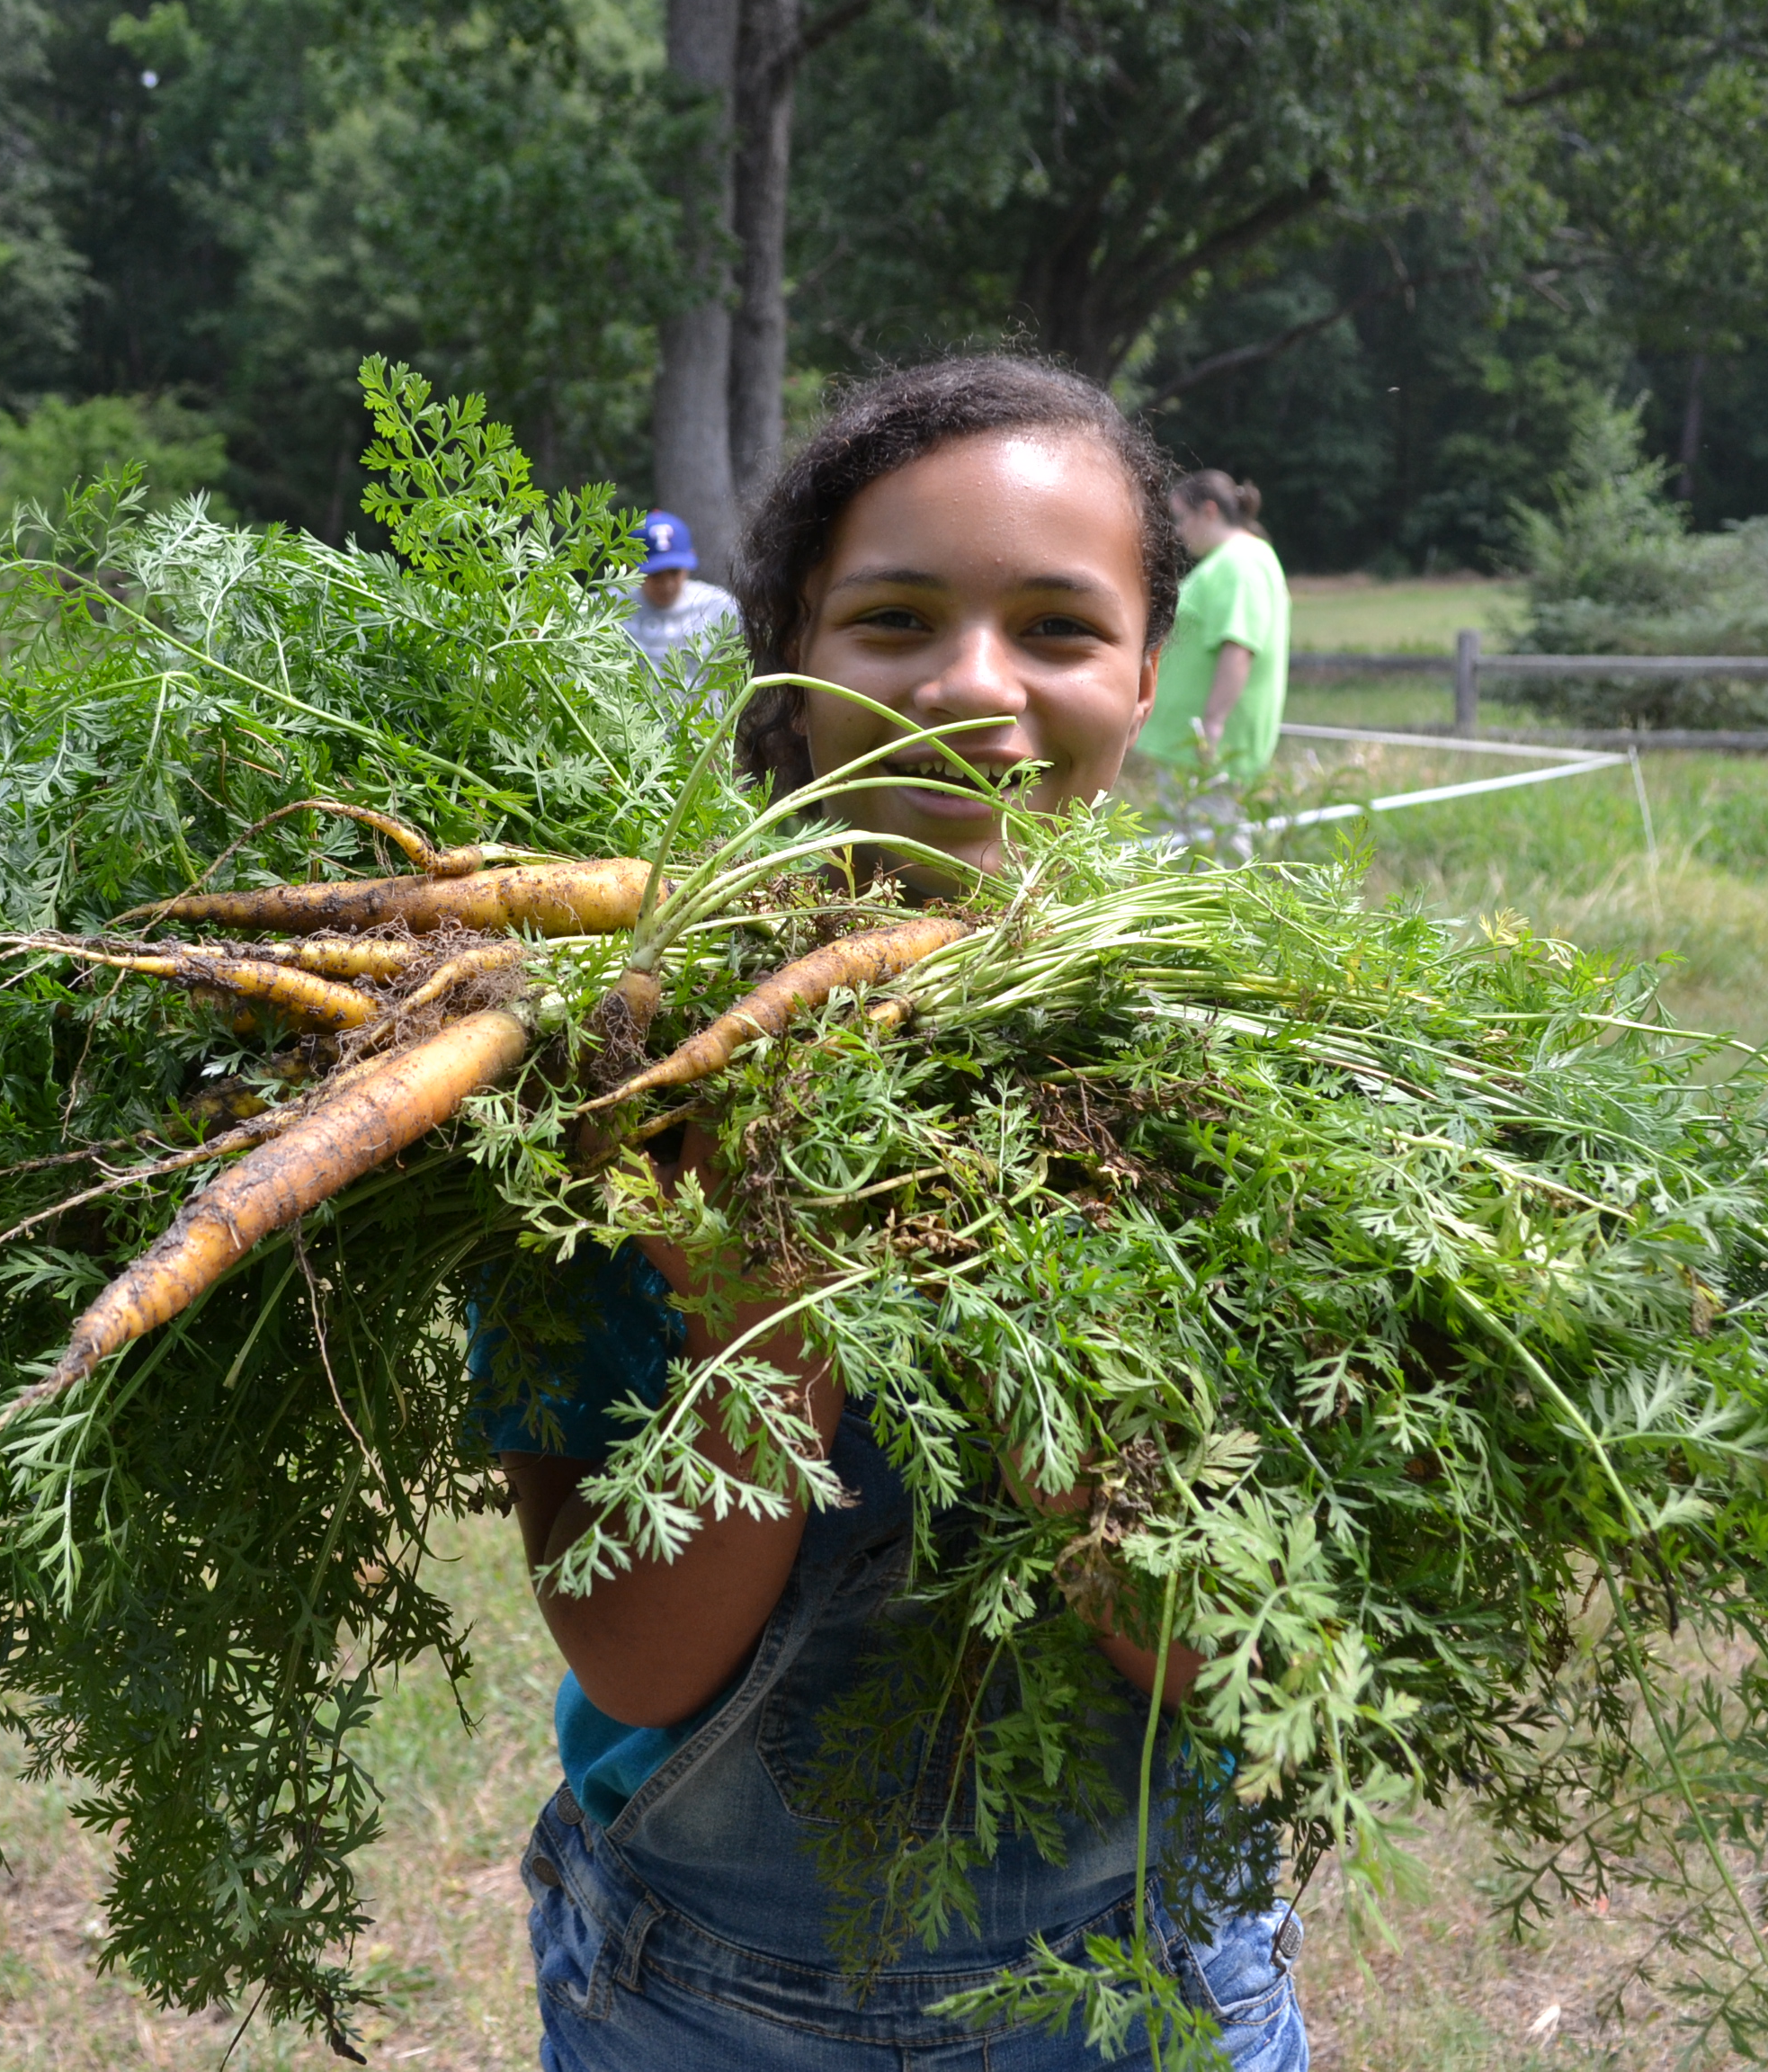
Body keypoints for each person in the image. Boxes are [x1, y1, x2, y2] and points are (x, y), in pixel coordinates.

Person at [478, 360, 1309, 2072]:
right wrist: (762, 1308)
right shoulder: (608, 1085)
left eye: (1060, 628)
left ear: (1149, 673)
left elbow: (1224, 1654)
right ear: (787, 656)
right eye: (895, 616)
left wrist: (1029, 1277)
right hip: (698, 1998)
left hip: (1139, 1991)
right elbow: (636, 1660)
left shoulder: (1281, 1092)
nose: (970, 684)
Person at [1133, 470, 1289, 789]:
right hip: (1191, 748)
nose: (1178, 531)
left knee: (1209, 836)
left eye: (1181, 518)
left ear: (1209, 511)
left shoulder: (1239, 563)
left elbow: (1238, 646)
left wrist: (1212, 727)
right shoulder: (1236, 560)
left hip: (1209, 753)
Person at [620, 508, 743, 708]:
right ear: (630, 567)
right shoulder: (608, 606)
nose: (667, 584)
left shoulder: (717, 604)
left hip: (704, 734)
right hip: (632, 733)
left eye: (674, 572)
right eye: (655, 574)